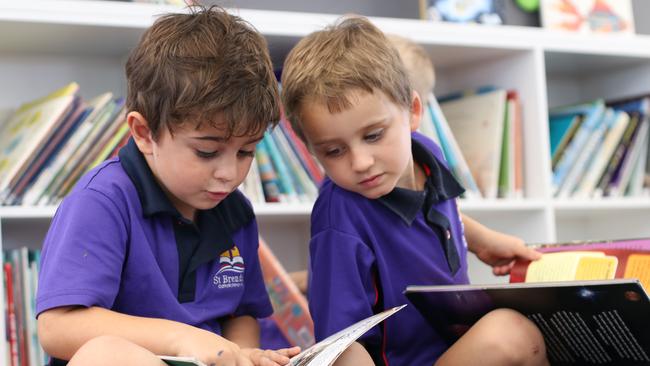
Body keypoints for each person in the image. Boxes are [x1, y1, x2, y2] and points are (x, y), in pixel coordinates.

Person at [36, 6, 299, 366]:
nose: (229, 173)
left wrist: (241, 355)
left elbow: (241, 315)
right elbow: (56, 328)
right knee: (107, 354)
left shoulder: (235, 211)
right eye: (207, 152)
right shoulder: (101, 201)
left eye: (246, 151)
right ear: (144, 133)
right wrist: (181, 337)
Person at [280, 16, 549, 366]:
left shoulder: (426, 154)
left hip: (450, 339)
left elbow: (431, 209)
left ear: (413, 112)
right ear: (312, 149)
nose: (360, 162)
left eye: (373, 135)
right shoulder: (339, 214)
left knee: (532, 329)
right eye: (334, 151)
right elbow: (339, 343)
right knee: (510, 333)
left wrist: (482, 240)